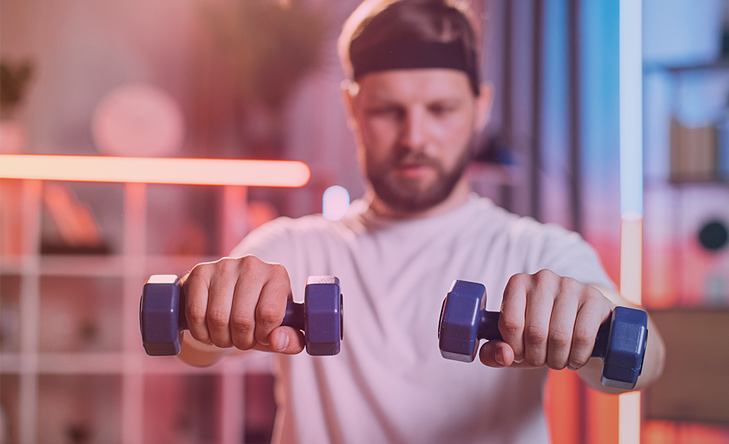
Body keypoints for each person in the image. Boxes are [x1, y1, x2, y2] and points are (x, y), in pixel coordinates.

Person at [177, 0, 665, 442]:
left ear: (481, 107)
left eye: (441, 109)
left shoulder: (541, 252)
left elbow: (644, 361)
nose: (415, 137)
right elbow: (191, 345)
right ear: (352, 108)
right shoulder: (290, 249)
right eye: (389, 111)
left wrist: (594, 319)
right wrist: (203, 303)